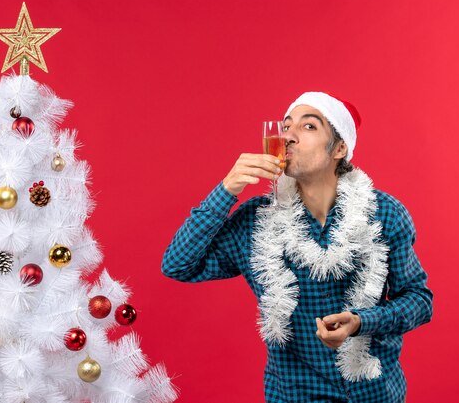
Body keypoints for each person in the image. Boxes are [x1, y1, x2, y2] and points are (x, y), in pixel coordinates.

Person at [161, 92, 433, 403]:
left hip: (373, 393)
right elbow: (178, 265)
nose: (288, 135)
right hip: (294, 393)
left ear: (340, 149)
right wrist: (227, 189)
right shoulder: (256, 221)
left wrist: (361, 321)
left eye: (308, 127)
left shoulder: (384, 213)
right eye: (286, 125)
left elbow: (419, 300)